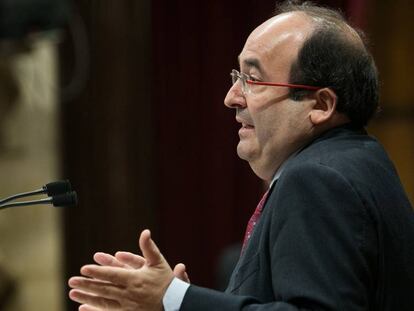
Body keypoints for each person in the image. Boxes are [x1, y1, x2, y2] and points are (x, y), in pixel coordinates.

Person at [68, 1, 414, 310]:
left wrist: (174, 299)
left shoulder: (317, 179)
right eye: (238, 76)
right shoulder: (361, 161)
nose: (232, 97)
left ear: (321, 105)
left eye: (253, 79)